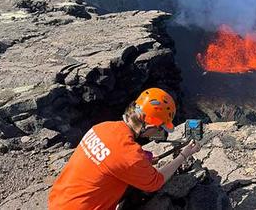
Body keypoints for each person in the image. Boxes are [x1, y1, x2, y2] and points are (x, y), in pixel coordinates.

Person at [48, 88, 201, 210]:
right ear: (151, 125)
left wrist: (144, 159)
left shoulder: (102, 127)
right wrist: (184, 155)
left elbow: (110, 159)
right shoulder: (130, 156)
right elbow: (156, 182)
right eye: (161, 128)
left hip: (58, 202)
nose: (159, 132)